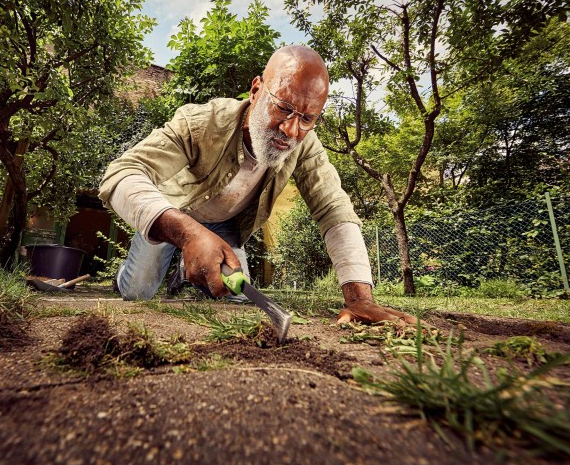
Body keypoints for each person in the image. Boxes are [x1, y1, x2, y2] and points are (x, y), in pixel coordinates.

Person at [99, 45, 418, 325]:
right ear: (255, 91)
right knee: (138, 291)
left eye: (307, 118)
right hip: (174, 215)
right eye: (283, 107)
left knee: (236, 297)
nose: (292, 130)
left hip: (224, 227)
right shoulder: (200, 122)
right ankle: (126, 277)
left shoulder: (305, 145)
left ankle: (186, 270)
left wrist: (360, 298)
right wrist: (187, 233)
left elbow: (333, 207)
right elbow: (120, 173)